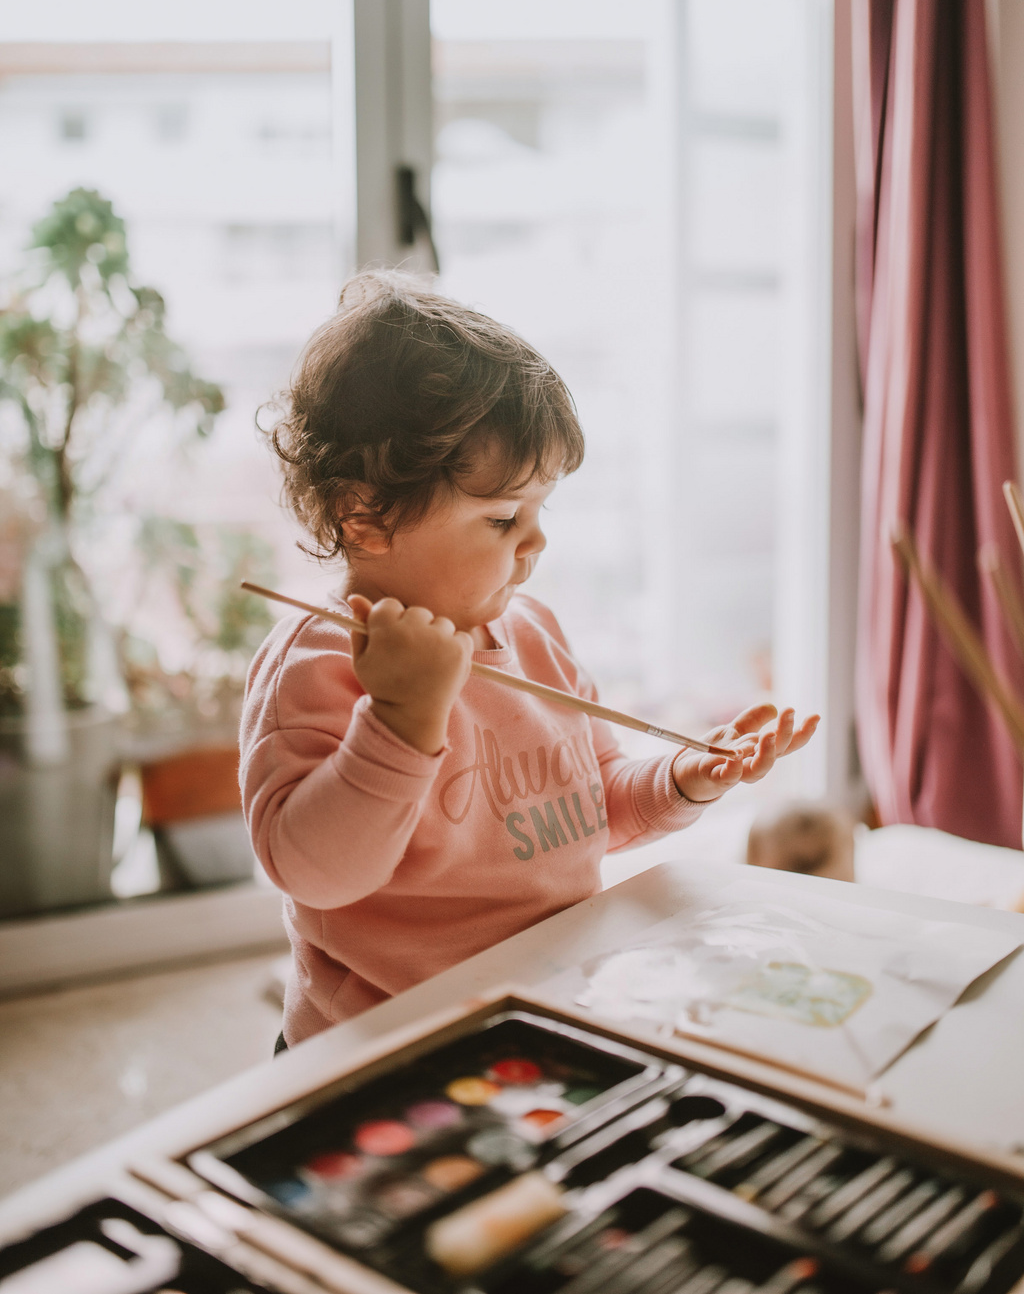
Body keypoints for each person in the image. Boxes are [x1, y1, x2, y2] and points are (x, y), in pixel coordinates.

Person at [242, 272, 819, 1047]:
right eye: (504, 516)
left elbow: (591, 809)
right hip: (386, 1044)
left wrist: (684, 778)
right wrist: (399, 722)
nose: (536, 542)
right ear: (366, 514)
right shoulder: (319, 663)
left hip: (548, 1009)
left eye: (541, 511)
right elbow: (314, 872)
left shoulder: (536, 634)